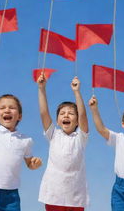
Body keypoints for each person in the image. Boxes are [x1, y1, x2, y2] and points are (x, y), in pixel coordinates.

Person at [37, 73, 89, 211]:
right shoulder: (53, 134)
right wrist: (41, 89)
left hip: (75, 196)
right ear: (57, 120)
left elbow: (83, 115)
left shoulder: (80, 137)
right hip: (54, 193)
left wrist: (77, 92)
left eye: (71, 113)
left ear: (77, 121)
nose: (66, 115)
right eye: (62, 113)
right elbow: (43, 113)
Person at [0, 94, 42, 211]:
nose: (7, 110)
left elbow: (29, 163)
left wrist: (35, 163)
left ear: (19, 116)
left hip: (12, 195)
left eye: (12, 108)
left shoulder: (25, 140)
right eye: (2, 108)